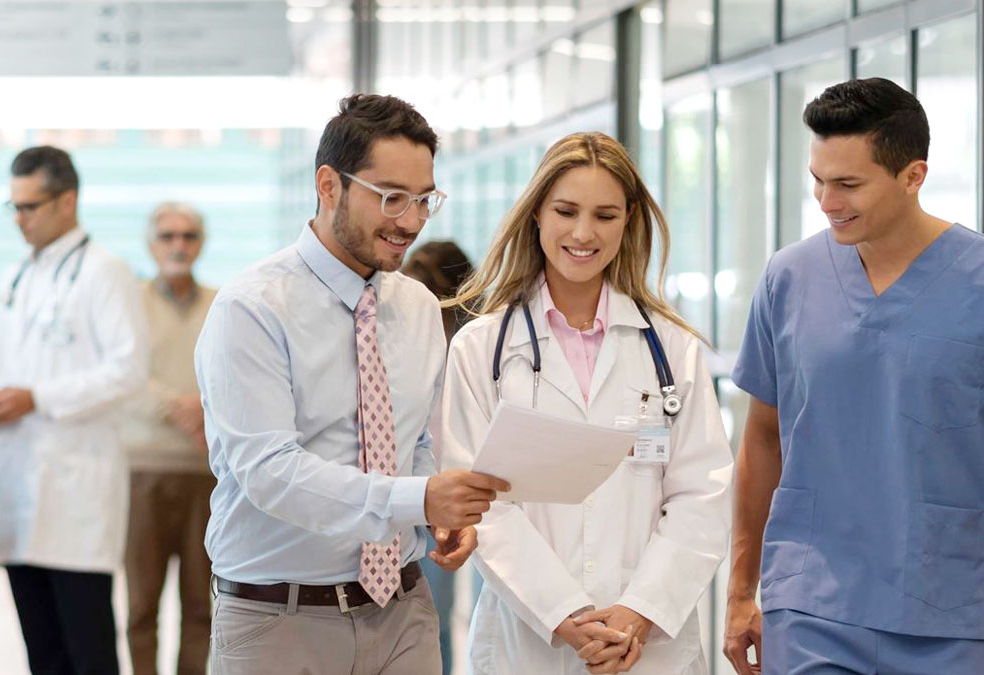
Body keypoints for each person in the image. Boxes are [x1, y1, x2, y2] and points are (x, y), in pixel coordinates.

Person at [722, 78, 984, 675]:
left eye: (848, 184)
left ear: (913, 175)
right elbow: (762, 438)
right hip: (810, 605)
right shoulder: (788, 278)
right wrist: (740, 591)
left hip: (947, 611)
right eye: (817, 180)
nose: (827, 201)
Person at [194, 94, 509, 675]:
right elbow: (269, 472)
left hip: (403, 614)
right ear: (328, 185)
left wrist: (439, 515)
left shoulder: (416, 307)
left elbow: (411, 444)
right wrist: (418, 499)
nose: (410, 222)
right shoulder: (252, 308)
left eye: (423, 200)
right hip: (279, 621)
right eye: (391, 197)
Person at [440, 131, 733, 674]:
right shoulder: (481, 349)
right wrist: (564, 614)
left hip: (648, 650)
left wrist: (637, 613)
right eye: (566, 211)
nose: (582, 233)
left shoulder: (672, 349)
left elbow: (702, 497)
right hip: (528, 644)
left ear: (629, 221)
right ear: (536, 215)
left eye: (605, 215)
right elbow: (481, 504)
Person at [0, 146, 148, 675]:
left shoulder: (104, 272)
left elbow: (128, 369)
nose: (20, 221)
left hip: (77, 495)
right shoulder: (17, 276)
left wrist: (37, 398)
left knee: (88, 652)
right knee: (43, 651)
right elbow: (0, 360)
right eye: (14, 208)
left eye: (29, 207)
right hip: (20, 484)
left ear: (68, 200)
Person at [120, 202, 217, 675]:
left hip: (206, 476)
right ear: (151, 243)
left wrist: (206, 406)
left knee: (203, 606)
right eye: (168, 236)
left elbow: (236, 374)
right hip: (142, 473)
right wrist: (183, 406)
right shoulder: (129, 303)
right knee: (141, 606)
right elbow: (122, 377)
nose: (178, 245)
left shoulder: (222, 304)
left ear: (201, 243)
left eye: (188, 236)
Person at [400, 240, 476, 675]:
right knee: (436, 620)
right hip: (429, 498)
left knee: (453, 617)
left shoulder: (477, 344)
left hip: (471, 494)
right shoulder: (412, 344)